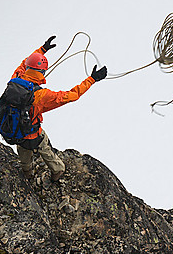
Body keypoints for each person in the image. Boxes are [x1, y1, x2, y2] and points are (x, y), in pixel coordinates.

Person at [11, 35, 107, 181]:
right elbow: (72, 95)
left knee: (24, 154)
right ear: (42, 72)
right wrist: (92, 79)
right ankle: (57, 172)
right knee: (45, 147)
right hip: (33, 135)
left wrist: (42, 50)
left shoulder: (15, 79)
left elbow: (23, 64)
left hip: (16, 131)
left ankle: (27, 173)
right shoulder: (42, 96)